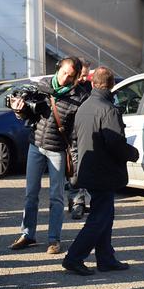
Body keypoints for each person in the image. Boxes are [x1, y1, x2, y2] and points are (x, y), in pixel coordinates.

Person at [62, 67, 140, 274]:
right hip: (105, 171)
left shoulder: (84, 106)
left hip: (89, 168)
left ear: (93, 83)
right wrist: (132, 153)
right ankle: (74, 257)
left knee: (104, 215)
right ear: (112, 83)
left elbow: (76, 138)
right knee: (100, 217)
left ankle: (106, 258)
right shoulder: (109, 110)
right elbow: (114, 142)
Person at [11, 56, 89, 253]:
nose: (65, 79)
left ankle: (54, 239)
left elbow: (76, 134)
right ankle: (27, 234)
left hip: (58, 150)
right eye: (63, 73)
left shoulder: (80, 98)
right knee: (31, 194)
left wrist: (76, 161)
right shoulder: (43, 86)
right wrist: (19, 111)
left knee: (56, 197)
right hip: (35, 145)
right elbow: (29, 116)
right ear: (57, 69)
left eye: (70, 76)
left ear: (76, 77)